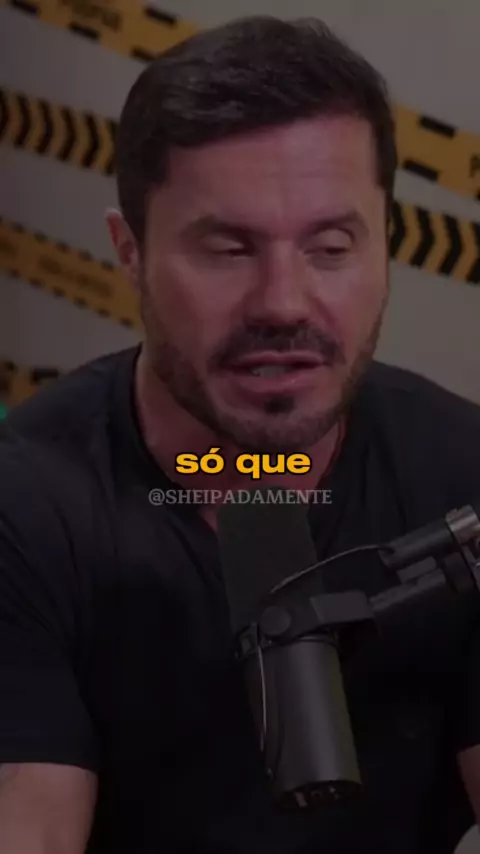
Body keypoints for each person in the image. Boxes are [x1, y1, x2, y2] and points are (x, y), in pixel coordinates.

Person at [0, 15, 479, 854]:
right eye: (227, 249)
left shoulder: (462, 474)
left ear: (386, 247)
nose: (283, 303)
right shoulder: (26, 502)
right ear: (129, 251)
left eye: (330, 247)